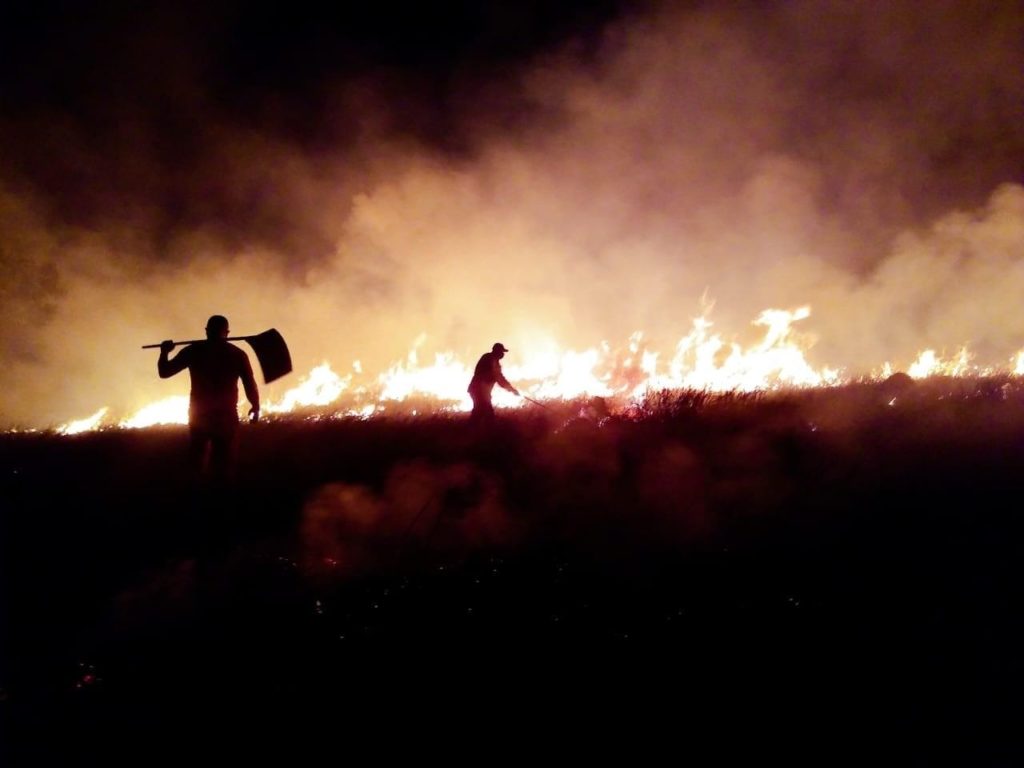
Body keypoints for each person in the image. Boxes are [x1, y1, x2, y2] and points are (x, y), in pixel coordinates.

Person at [158, 315, 260, 484]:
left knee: (197, 462)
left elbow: (165, 372)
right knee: (224, 465)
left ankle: (197, 499)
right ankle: (219, 500)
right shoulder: (237, 354)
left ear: (206, 331)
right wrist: (255, 406)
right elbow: (250, 384)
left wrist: (164, 353)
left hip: (200, 415)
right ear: (226, 332)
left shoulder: (193, 351)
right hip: (225, 416)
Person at [467, 342, 519, 426]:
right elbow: (499, 378)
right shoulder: (489, 359)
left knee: (480, 411)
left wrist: (512, 390)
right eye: (502, 352)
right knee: (485, 411)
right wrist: (512, 390)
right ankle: (484, 431)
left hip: (480, 391)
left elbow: (500, 378)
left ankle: (473, 429)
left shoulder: (492, 360)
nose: (503, 354)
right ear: (497, 351)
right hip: (479, 391)